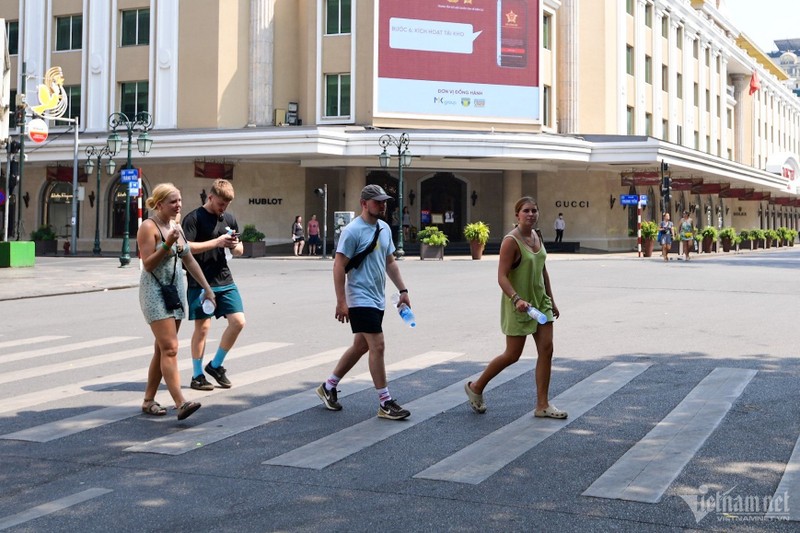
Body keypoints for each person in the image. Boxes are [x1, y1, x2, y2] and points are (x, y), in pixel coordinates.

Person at [464, 197, 567, 419]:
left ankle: (542, 404)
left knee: (546, 350)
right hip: (519, 304)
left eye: (534, 211)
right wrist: (516, 299)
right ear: (517, 215)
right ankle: (476, 387)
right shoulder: (511, 241)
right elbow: (501, 276)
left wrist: (552, 299)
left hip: (540, 304)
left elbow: (543, 270)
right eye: (526, 211)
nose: (531, 214)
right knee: (512, 355)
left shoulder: (537, 236)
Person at [316, 184, 413, 420]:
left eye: (384, 201)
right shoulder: (353, 231)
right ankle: (385, 401)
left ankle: (328, 387)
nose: (382, 205)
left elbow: (390, 262)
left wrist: (403, 290)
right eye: (377, 201)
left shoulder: (384, 229)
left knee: (361, 346)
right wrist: (341, 301)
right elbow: (339, 265)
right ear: (364, 203)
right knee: (377, 345)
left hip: (378, 297)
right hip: (359, 297)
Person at [137, 183, 215, 420]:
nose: (178, 205)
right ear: (159, 204)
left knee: (162, 349)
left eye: (179, 200)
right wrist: (167, 243)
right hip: (154, 291)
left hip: (175, 291)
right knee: (170, 348)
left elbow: (189, 261)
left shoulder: (176, 228)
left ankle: (148, 400)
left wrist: (207, 288)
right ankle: (180, 402)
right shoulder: (148, 227)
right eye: (173, 201)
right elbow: (148, 263)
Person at [181, 179, 246, 391]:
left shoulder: (228, 218)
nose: (223, 208)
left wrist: (235, 246)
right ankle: (197, 375)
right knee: (203, 328)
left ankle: (216, 365)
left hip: (223, 277)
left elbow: (239, 248)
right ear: (210, 197)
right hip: (199, 279)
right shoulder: (193, 218)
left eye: (227, 204)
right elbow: (186, 248)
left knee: (238, 321)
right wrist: (217, 242)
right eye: (220, 204)